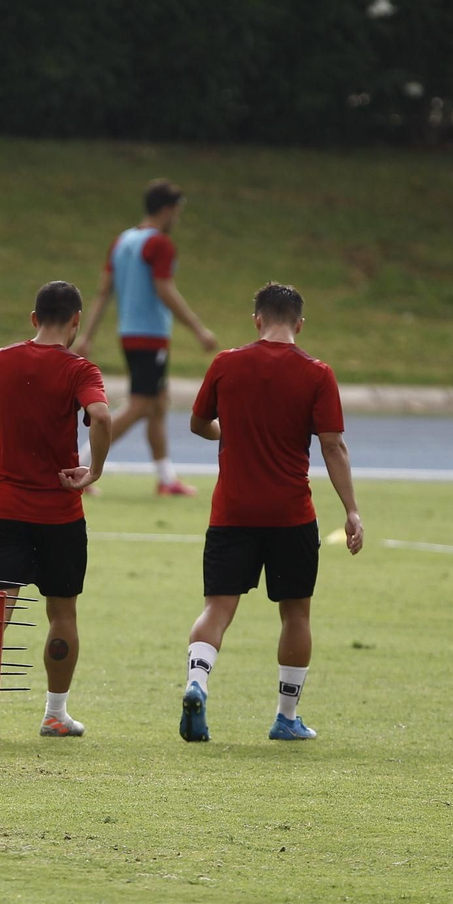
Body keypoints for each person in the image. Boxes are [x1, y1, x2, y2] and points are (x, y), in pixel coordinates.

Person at [179, 282, 364, 743]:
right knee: (295, 615)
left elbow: (198, 423)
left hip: (232, 512)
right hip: (290, 514)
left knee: (217, 608)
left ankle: (197, 683)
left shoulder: (226, 364)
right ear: (299, 323)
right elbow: (333, 445)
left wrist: (231, 432)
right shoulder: (317, 373)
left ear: (256, 319)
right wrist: (352, 510)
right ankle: (286, 717)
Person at [0, 280, 112, 740]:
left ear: (33, 319)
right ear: (75, 321)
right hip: (60, 513)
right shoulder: (80, 369)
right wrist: (94, 470)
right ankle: (55, 713)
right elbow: (103, 416)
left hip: (5, 505)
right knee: (62, 612)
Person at [77, 178, 218, 496]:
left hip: (128, 334)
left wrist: (88, 335)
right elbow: (164, 289)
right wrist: (198, 328)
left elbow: (103, 291)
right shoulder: (159, 245)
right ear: (168, 209)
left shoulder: (123, 241)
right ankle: (82, 465)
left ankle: (166, 479)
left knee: (158, 405)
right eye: (177, 212)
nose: (177, 220)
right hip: (150, 336)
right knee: (141, 405)